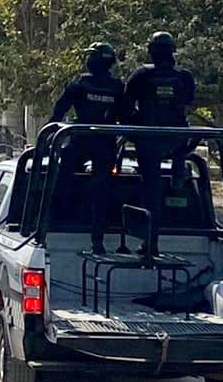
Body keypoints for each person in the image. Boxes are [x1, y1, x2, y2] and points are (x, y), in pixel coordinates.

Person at [119, 32, 198, 241]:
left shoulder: (141, 75)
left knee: (151, 189)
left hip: (148, 140)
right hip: (176, 139)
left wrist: (136, 125)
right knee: (178, 156)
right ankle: (178, 170)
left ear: (151, 51)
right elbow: (189, 103)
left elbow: (125, 108)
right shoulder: (184, 76)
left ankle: (150, 239)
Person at [49, 43, 124, 236]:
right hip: (105, 143)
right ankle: (100, 221)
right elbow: (127, 114)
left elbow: (59, 110)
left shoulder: (80, 84)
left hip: (81, 139)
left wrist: (50, 131)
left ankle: (60, 213)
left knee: (65, 175)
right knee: (102, 184)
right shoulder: (117, 87)